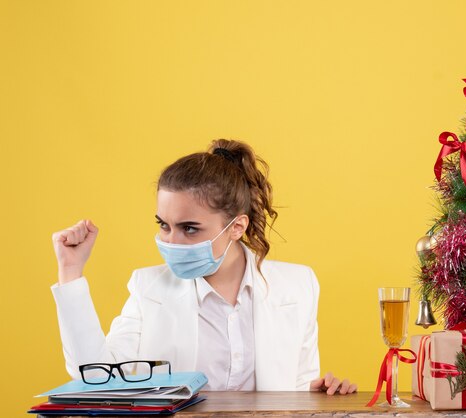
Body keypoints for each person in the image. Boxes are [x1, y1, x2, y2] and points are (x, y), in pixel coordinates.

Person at [51, 139, 357, 394]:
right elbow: (93, 378)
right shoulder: (149, 288)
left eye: (189, 228)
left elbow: (299, 386)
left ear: (237, 227)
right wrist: (71, 272)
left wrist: (323, 392)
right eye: (164, 225)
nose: (171, 241)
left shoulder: (297, 286)